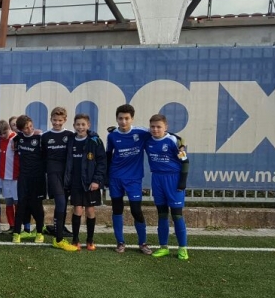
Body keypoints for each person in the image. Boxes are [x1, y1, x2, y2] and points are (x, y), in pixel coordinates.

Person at [107, 104, 152, 254]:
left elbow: (161, 133)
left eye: (127, 118)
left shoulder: (142, 133)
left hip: (134, 179)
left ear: (132, 118)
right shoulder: (112, 135)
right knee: (117, 209)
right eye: (120, 118)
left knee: (136, 210)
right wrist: (106, 177)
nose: (123, 121)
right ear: (116, 119)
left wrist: (181, 144)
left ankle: (143, 243)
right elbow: (108, 156)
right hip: (115, 177)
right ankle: (120, 242)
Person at [145, 114, 189, 260]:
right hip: (157, 179)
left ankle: (182, 248)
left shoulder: (173, 141)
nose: (155, 129)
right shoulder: (148, 139)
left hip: (173, 179)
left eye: (159, 127)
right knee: (162, 214)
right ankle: (163, 247)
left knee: (177, 215)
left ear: (166, 127)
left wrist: (182, 182)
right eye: (152, 127)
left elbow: (185, 161)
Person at [64, 113, 106, 251]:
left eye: (83, 124)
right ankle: (75, 239)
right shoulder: (71, 140)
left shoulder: (95, 141)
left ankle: (90, 239)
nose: (80, 127)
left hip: (90, 182)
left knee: (90, 210)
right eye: (78, 124)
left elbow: (102, 162)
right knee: (77, 209)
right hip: (75, 182)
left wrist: (96, 180)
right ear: (74, 126)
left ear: (88, 125)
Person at [42, 107, 78, 251]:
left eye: (60, 120)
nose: (57, 123)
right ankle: (58, 240)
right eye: (54, 120)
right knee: (61, 202)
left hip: (67, 174)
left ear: (65, 120)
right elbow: (42, 156)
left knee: (62, 204)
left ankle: (58, 231)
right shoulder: (45, 136)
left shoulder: (70, 135)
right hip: (53, 173)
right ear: (50, 119)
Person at [11, 115, 46, 243]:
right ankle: (16, 233)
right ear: (21, 129)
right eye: (26, 128)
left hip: (37, 177)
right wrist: (13, 141)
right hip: (23, 177)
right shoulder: (18, 138)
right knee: (21, 204)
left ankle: (39, 232)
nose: (30, 129)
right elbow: (11, 136)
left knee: (36, 205)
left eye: (31, 126)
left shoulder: (40, 138)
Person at [0, 118, 17, 234]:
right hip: (4, 177)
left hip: (16, 177)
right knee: (8, 202)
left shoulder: (16, 138)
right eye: (0, 134)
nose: (3, 136)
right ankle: (12, 225)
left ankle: (19, 226)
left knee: (17, 203)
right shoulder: (0, 139)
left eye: (5, 133)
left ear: (9, 128)